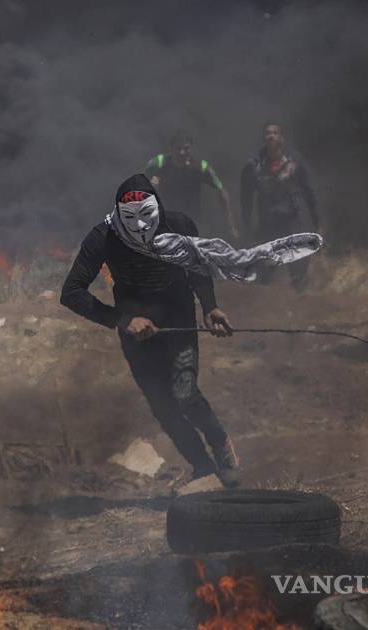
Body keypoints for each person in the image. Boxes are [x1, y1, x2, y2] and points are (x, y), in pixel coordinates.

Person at [60, 173, 241, 488]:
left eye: (147, 216)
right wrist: (122, 320)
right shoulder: (103, 237)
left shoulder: (180, 225)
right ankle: (202, 467)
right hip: (136, 334)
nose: (141, 226)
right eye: (131, 219)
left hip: (179, 323)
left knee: (185, 393)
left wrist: (210, 306)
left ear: (158, 208)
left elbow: (198, 267)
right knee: (163, 406)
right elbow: (71, 292)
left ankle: (220, 443)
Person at [239, 122, 321, 289]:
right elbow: (245, 198)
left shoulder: (294, 161)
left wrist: (317, 221)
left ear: (281, 138)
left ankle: (300, 298)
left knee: (298, 271)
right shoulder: (254, 165)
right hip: (267, 223)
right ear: (264, 138)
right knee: (263, 274)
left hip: (291, 221)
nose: (271, 136)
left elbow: (309, 192)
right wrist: (246, 226)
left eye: (275, 133)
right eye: (267, 133)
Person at [144, 131, 239, 239]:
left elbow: (221, 192)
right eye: (178, 149)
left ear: (191, 148)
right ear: (171, 148)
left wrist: (231, 226)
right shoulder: (159, 164)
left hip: (191, 221)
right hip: (166, 220)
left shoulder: (200, 167)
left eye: (186, 148)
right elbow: (141, 187)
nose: (182, 152)